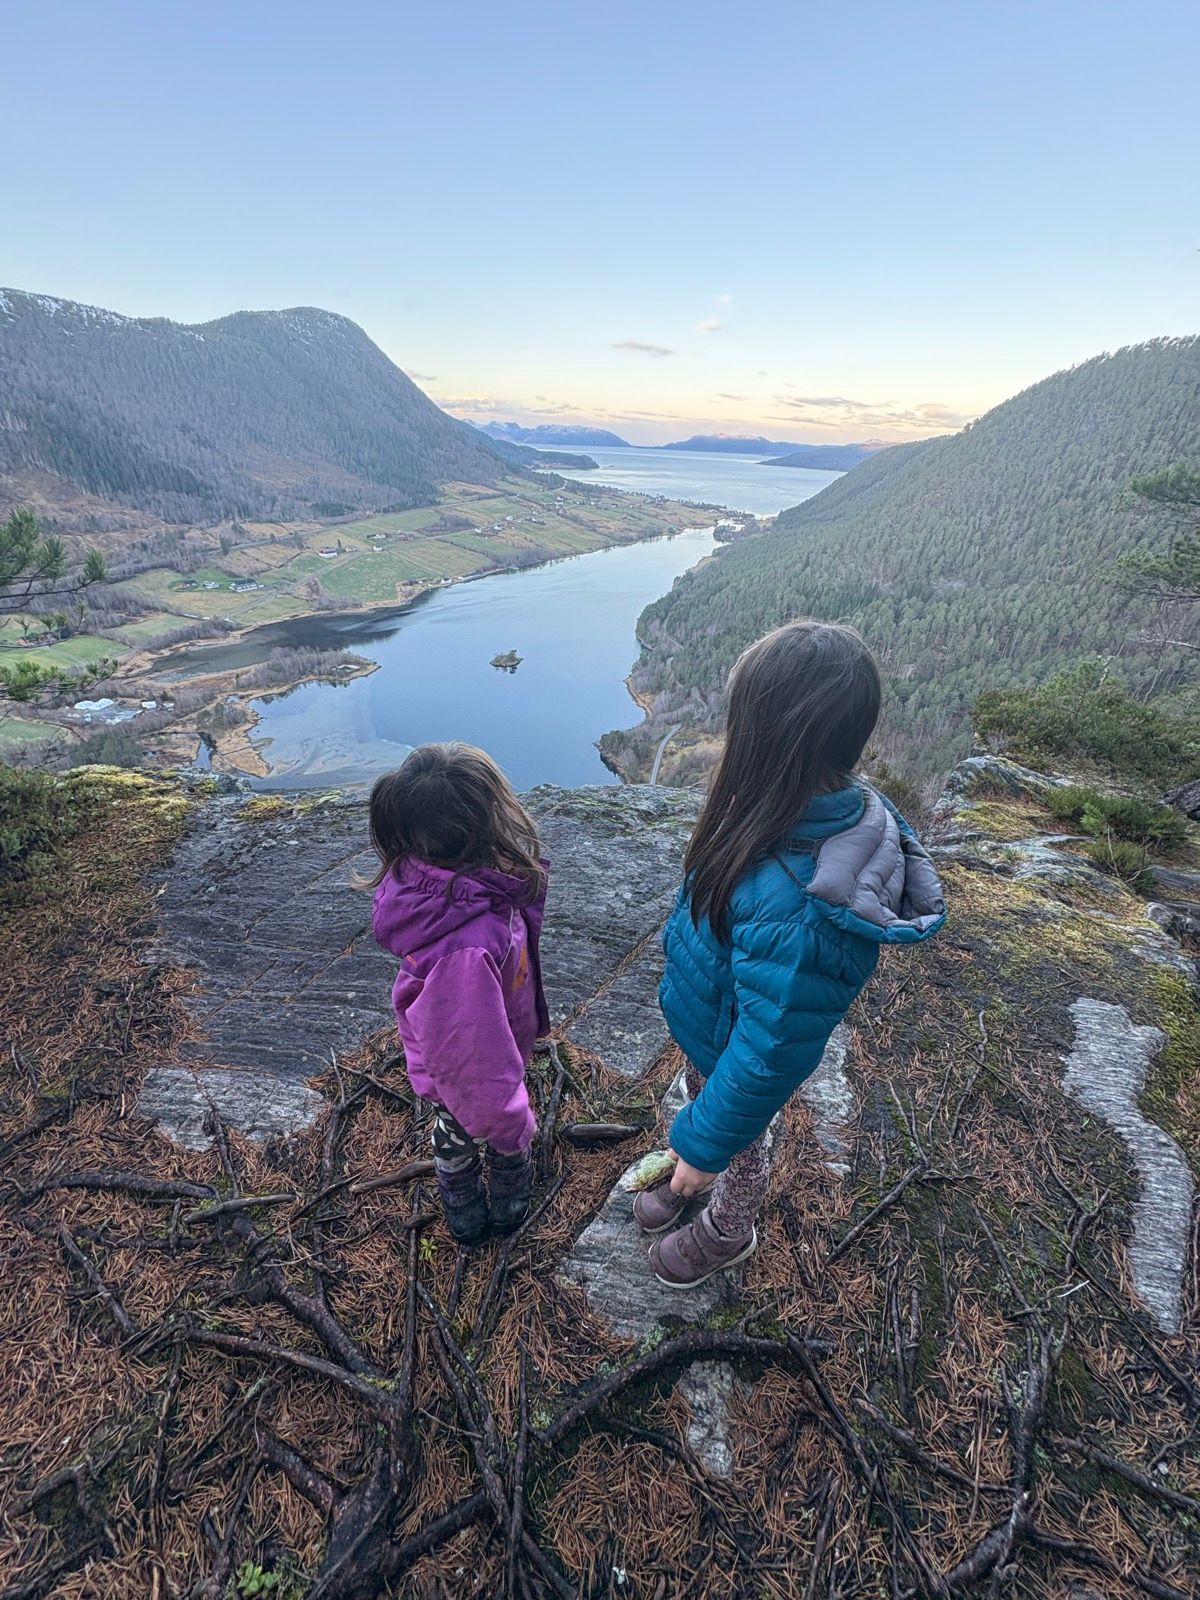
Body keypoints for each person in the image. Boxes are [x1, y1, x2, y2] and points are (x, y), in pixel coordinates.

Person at [638, 620, 946, 1287]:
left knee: (743, 1148)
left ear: (770, 742)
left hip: (738, 1050)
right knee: (705, 1098)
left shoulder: (804, 905)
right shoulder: (768, 811)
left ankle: (728, 1228)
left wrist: (707, 1146)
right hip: (713, 1030)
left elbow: (771, 1048)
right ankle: (696, 1159)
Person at [368, 742, 549, 1245]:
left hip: (489, 1051)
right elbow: (470, 1062)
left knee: (458, 1124)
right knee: (462, 1126)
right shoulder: (464, 950)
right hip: (472, 1074)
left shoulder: (464, 891)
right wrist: (511, 1124)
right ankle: (474, 1189)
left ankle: (472, 1177)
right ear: (485, 824)